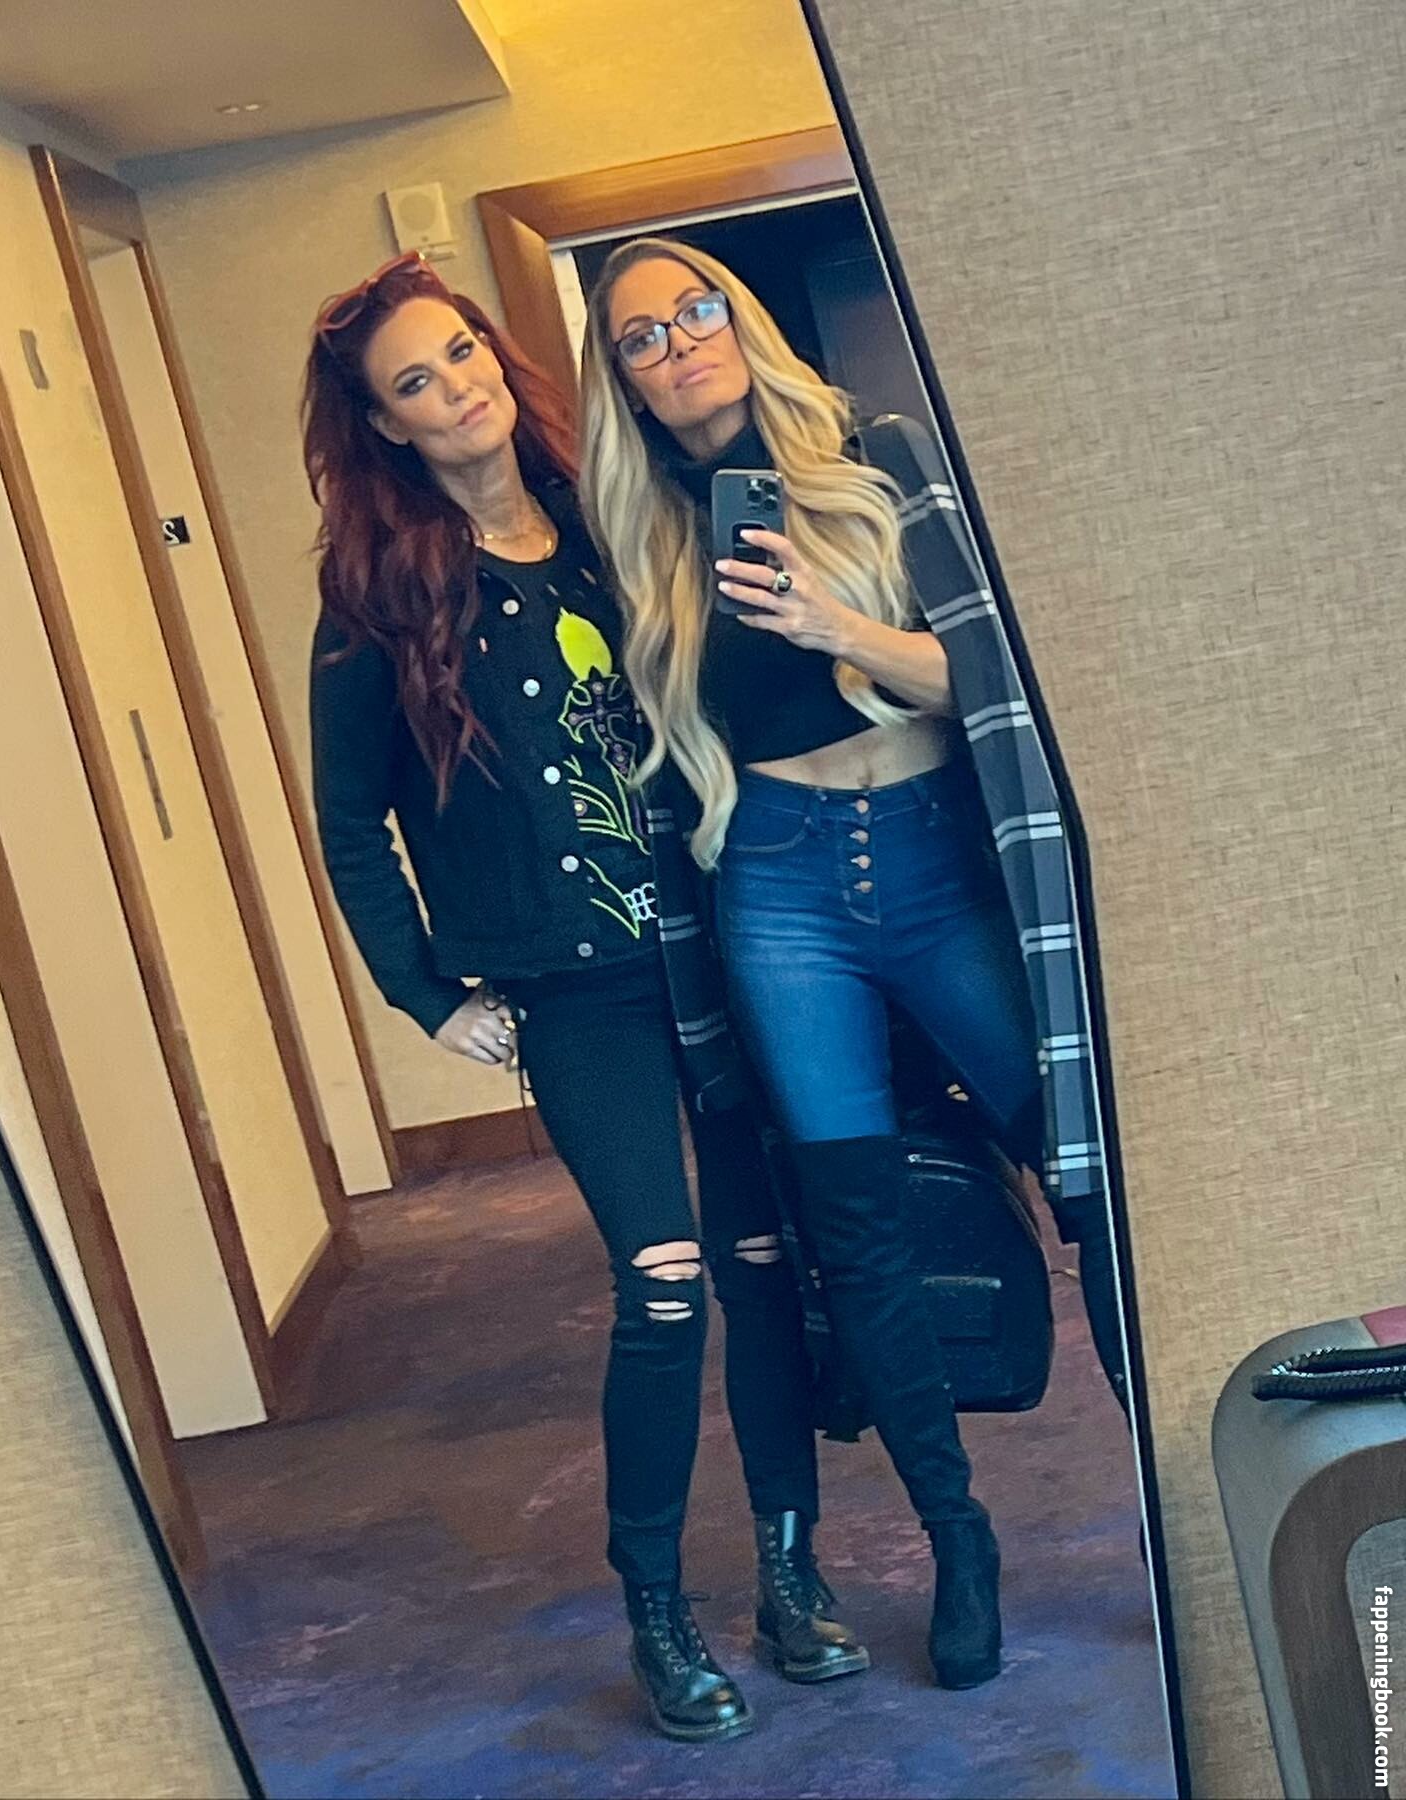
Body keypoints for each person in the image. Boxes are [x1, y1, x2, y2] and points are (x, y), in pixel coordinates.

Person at [302, 252, 871, 1744]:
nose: (456, 388)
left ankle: (791, 1569)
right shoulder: (378, 597)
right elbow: (350, 821)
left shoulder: (617, 522)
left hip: (715, 943)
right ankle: (657, 1609)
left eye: (462, 353)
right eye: (416, 382)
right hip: (573, 992)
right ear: (388, 426)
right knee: (664, 1282)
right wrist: (424, 994)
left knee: (762, 1264)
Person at [579, 236, 1132, 1691]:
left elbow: (995, 680)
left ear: (740, 318)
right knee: (860, 1234)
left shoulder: (875, 462)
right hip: (780, 887)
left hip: (939, 860)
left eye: (697, 309)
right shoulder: (642, 541)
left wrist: (836, 628)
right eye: (642, 336)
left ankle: (1175, 1484)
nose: (680, 342)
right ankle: (959, 1539)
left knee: (1089, 1182)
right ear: (624, 383)